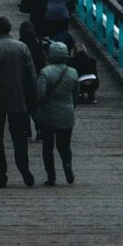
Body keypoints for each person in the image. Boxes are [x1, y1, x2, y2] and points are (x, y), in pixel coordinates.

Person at [0, 15, 39, 188]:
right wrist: (34, 101)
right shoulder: (22, 48)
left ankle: (1, 176)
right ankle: (24, 169)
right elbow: (31, 77)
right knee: (20, 140)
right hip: (19, 102)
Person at [35, 40, 80, 184]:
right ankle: (67, 164)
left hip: (48, 115)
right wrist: (71, 107)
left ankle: (51, 177)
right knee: (64, 145)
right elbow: (76, 96)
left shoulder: (45, 72)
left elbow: (40, 95)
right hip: (67, 113)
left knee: (47, 147)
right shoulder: (73, 72)